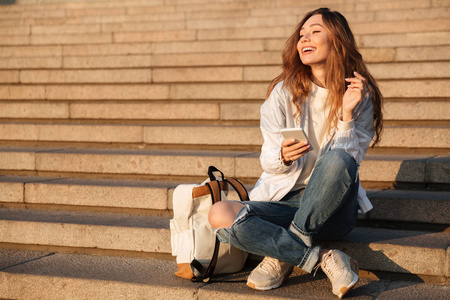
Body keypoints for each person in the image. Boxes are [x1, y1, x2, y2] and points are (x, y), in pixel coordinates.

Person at [208, 7, 383, 299]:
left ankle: (282, 251)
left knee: (338, 159)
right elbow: (267, 160)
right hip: (284, 201)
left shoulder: (360, 94)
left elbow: (349, 162)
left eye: (315, 32)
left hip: (334, 208)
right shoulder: (282, 93)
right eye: (301, 34)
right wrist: (283, 156)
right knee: (220, 212)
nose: (304, 39)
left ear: (337, 40)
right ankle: (321, 257)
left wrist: (347, 115)